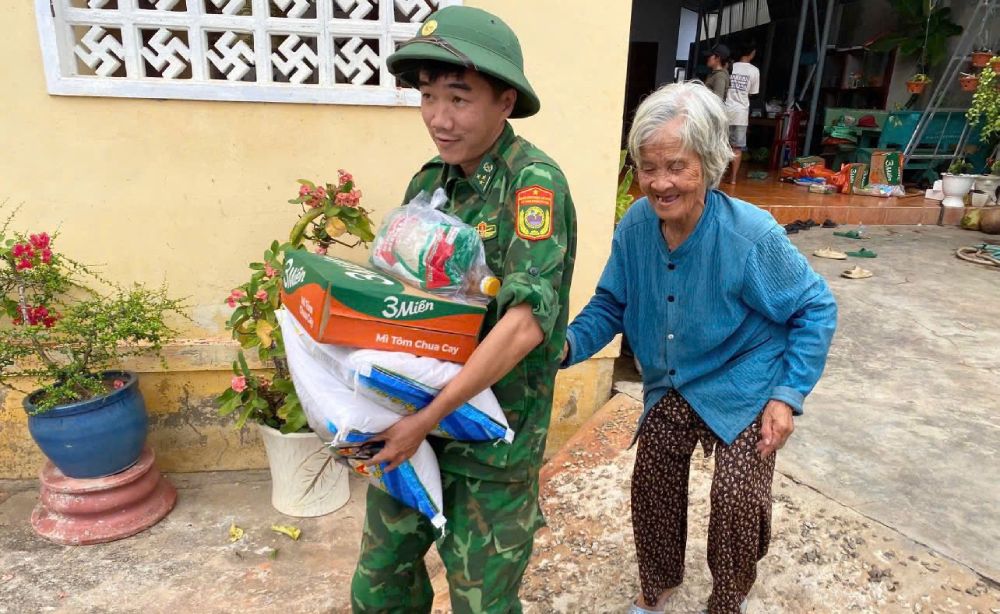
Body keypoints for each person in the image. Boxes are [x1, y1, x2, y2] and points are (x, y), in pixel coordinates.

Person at [561, 82, 836, 614]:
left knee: (736, 498)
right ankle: (657, 584)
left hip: (745, 378)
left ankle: (727, 600)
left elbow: (815, 307)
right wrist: (565, 346)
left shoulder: (750, 235)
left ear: (709, 165)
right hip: (674, 378)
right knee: (654, 480)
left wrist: (787, 393)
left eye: (676, 167)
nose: (660, 183)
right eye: (648, 167)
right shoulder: (635, 228)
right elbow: (611, 304)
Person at [350, 6, 577, 613]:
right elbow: (397, 299)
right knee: (378, 586)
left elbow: (525, 325)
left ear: (505, 101)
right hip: (410, 427)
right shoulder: (431, 181)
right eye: (427, 97)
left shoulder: (533, 186)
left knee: (481, 603)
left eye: (458, 98)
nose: (438, 119)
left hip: (489, 446)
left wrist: (425, 419)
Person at [724, 44, 760, 183]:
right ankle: (733, 178)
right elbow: (753, 93)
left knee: (721, 146)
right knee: (737, 148)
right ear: (752, 53)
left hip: (725, 111)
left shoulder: (730, 66)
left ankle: (719, 175)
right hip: (741, 113)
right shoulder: (754, 71)